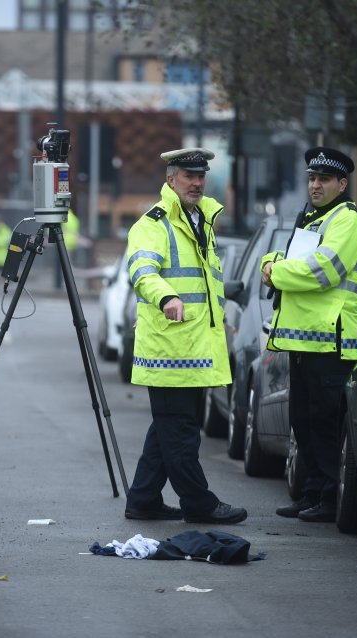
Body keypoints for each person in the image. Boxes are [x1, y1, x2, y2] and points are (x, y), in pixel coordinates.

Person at [123, 147, 247, 525]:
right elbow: (143, 272)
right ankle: (199, 503)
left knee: (168, 429)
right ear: (170, 179)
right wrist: (166, 297)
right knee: (181, 435)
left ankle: (143, 499)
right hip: (169, 349)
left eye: (200, 176)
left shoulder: (202, 220)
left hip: (194, 348)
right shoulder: (153, 225)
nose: (196, 183)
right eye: (188, 176)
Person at [261, 147, 357, 523]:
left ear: (342, 184)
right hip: (303, 340)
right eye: (312, 178)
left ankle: (328, 497)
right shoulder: (309, 219)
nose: (315, 185)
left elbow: (321, 271)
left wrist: (274, 271)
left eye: (324, 180)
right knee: (304, 422)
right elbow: (288, 258)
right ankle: (311, 493)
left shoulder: (348, 221)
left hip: (331, 340)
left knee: (325, 425)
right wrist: (271, 262)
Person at [53, 208, 80, 289]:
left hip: (64, 243)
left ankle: (65, 283)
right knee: (68, 264)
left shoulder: (63, 217)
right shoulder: (74, 218)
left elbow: (59, 229)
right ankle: (67, 283)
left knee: (64, 266)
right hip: (72, 244)